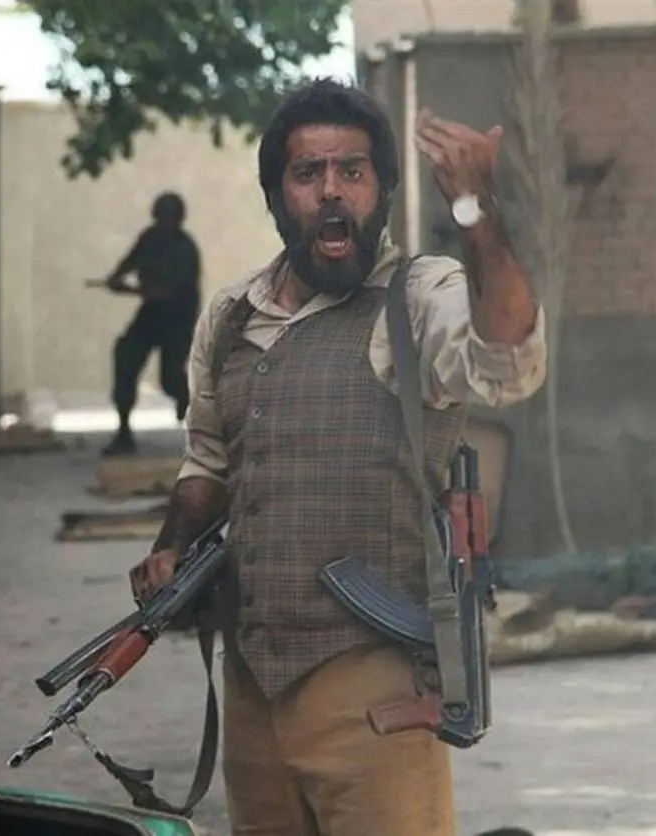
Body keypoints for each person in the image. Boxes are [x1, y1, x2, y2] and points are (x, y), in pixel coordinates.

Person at [128, 79, 547, 835]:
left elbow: (508, 360)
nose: (331, 192)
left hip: (378, 693)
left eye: (352, 171)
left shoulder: (419, 296)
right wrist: (172, 547)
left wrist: (475, 207)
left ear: (381, 189)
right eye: (307, 173)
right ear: (275, 195)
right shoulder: (232, 316)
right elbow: (209, 461)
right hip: (252, 689)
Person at [99, 191, 202, 457]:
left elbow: (177, 291)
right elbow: (130, 262)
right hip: (151, 315)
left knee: (170, 379)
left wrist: (142, 290)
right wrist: (116, 278)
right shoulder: (149, 238)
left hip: (178, 320)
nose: (163, 223)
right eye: (160, 217)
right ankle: (123, 432)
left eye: (169, 218)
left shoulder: (185, 249)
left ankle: (188, 400)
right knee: (126, 358)